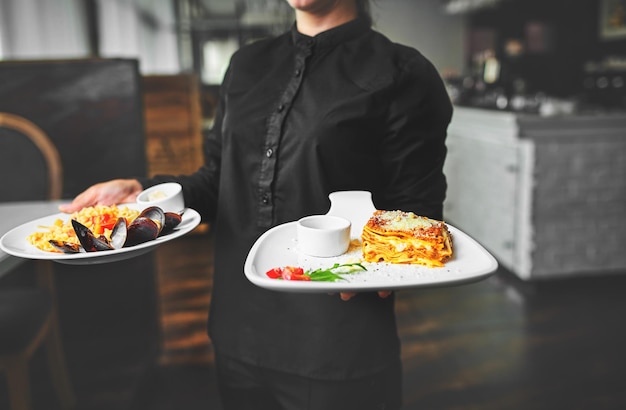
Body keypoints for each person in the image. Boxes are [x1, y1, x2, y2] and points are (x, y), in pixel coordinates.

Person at [60, 0, 453, 408]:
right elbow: (218, 180)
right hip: (238, 330)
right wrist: (142, 193)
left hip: (337, 343)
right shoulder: (246, 64)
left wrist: (380, 272)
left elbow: (418, 212)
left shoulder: (404, 73)